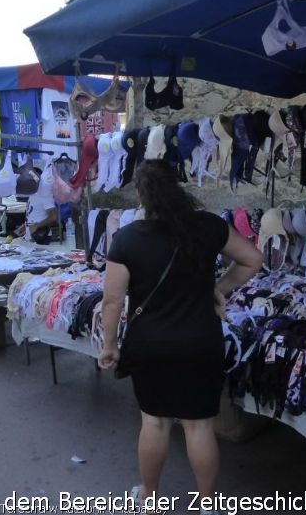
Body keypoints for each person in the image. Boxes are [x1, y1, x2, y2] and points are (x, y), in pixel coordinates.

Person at [97, 160, 262, 508]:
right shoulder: (209, 226)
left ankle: (149, 496)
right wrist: (219, 288)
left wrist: (109, 346)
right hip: (201, 340)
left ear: (141, 195)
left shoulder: (126, 239)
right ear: (178, 186)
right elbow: (251, 259)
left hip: (150, 343)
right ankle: (206, 502)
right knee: (199, 426)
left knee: (155, 423)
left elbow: (112, 301)